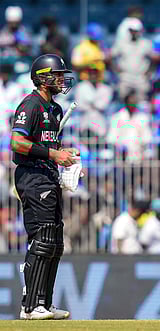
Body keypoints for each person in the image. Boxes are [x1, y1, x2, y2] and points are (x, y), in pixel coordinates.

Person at [10, 54, 76, 320]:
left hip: (47, 176)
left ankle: (44, 303)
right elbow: (16, 143)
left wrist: (63, 152)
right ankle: (30, 305)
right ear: (42, 77)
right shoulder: (31, 105)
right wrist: (53, 155)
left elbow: (47, 145)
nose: (62, 79)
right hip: (32, 177)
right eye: (57, 74)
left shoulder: (55, 109)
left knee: (54, 241)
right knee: (42, 237)